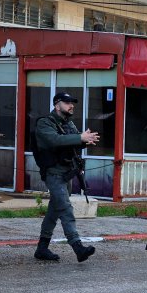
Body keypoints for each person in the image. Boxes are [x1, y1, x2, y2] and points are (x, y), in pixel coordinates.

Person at [33, 92, 99, 262]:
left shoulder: (68, 123)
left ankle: (42, 248)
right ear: (57, 105)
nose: (71, 106)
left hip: (66, 174)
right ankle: (78, 247)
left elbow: (72, 143)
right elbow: (55, 140)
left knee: (53, 212)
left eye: (72, 103)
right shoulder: (44, 123)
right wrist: (80, 137)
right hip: (53, 174)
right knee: (65, 209)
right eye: (67, 102)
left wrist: (85, 141)